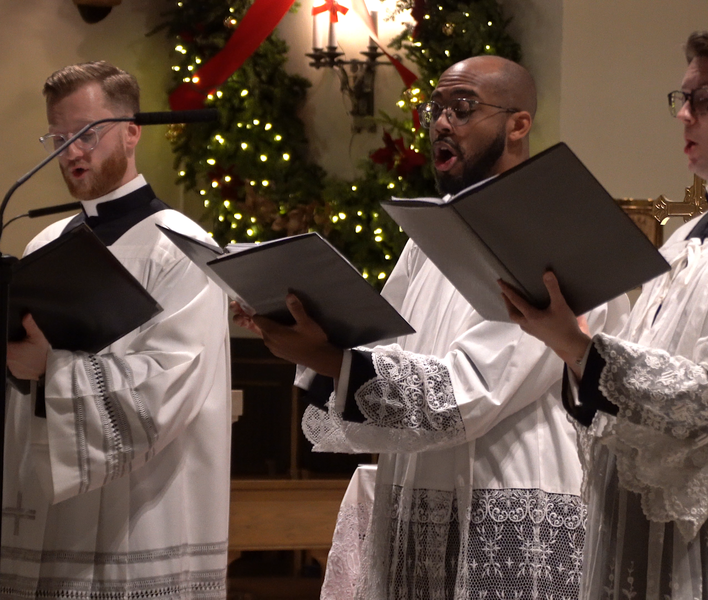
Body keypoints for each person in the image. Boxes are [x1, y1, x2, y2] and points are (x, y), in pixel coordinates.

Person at [233, 55, 629, 599]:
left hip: (510, 505)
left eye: (463, 108)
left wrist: (335, 361)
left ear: (518, 124)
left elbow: (470, 392)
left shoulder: (548, 231)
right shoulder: (433, 232)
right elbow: (384, 343)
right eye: (435, 109)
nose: (442, 123)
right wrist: (302, 322)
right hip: (418, 495)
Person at [500, 29, 708, 599]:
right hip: (637, 518)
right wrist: (575, 342)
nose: (684, 115)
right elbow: (628, 381)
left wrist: (582, 350)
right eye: (681, 99)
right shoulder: (683, 240)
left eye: (705, 98)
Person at [1, 61, 231, 599]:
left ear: (131, 133)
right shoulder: (46, 244)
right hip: (45, 509)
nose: (71, 152)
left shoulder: (179, 246)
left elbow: (172, 384)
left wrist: (51, 371)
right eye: (58, 137)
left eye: (86, 134)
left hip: (142, 513)